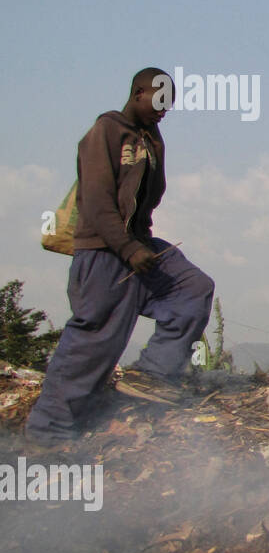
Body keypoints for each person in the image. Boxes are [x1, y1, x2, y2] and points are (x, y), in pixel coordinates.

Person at [26, 68, 215, 445]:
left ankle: (154, 374)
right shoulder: (106, 132)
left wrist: (137, 245)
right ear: (138, 92)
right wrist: (127, 249)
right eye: (158, 103)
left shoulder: (151, 139)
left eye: (169, 106)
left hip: (138, 244)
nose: (163, 112)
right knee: (96, 341)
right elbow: (96, 201)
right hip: (103, 250)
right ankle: (48, 434)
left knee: (194, 288)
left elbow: (150, 196)